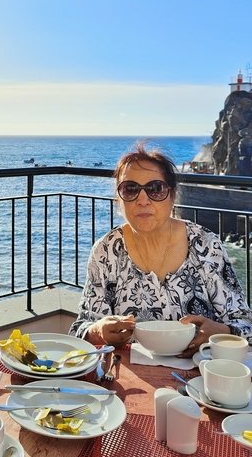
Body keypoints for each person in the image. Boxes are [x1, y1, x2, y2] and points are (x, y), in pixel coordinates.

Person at [69, 141, 252, 352]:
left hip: (199, 377)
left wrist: (221, 331)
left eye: (155, 189)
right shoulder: (106, 251)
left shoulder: (205, 244)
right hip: (132, 379)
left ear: (172, 196)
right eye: (130, 189)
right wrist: (98, 331)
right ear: (119, 200)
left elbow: (245, 324)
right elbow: (80, 330)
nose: (143, 200)